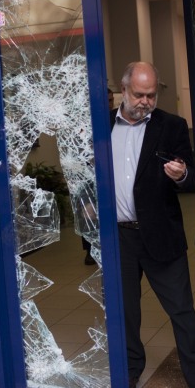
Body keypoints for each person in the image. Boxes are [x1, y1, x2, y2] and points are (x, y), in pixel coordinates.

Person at [111, 61, 195, 388]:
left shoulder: (172, 126)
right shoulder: (100, 126)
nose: (145, 101)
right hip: (119, 238)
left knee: (182, 310)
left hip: (160, 233)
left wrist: (180, 175)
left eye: (151, 94)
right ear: (123, 90)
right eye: (139, 94)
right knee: (125, 310)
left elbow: (191, 179)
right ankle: (130, 370)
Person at [83, 88, 115, 265]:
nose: (109, 104)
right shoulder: (88, 123)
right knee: (90, 213)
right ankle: (90, 250)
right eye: (106, 100)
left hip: (110, 177)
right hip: (91, 176)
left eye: (111, 100)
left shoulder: (116, 122)